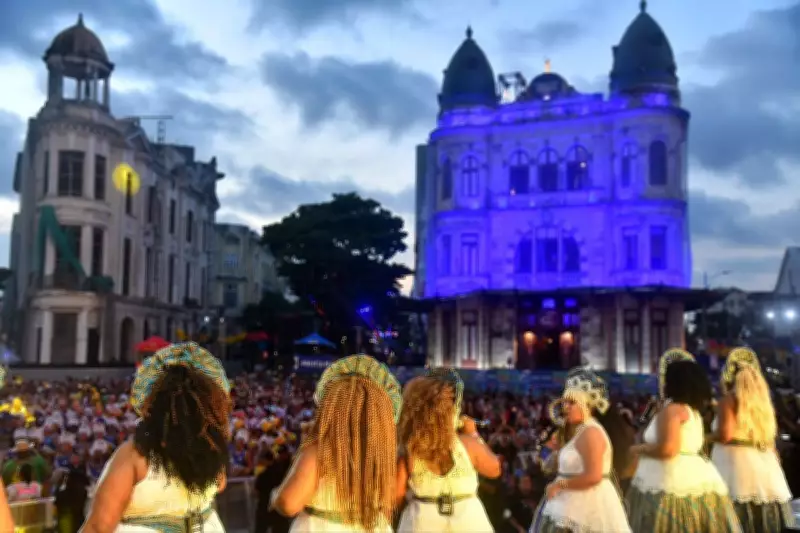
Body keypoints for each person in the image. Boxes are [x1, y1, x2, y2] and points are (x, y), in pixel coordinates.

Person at [81, 341, 232, 532]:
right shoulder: (211, 448)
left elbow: (99, 526)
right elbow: (220, 484)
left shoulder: (135, 454)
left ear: (154, 405)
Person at [270, 354, 402, 532]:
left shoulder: (319, 451)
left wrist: (276, 496)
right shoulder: (381, 453)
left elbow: (289, 503)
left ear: (331, 408)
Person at [627, 348, 741, 532]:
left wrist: (638, 449)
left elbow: (668, 449)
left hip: (667, 478)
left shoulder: (672, 410)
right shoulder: (692, 412)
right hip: (695, 476)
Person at [395, 368, 501, 532]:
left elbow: (395, 496)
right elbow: (495, 469)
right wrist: (473, 434)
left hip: (422, 523)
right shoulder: (468, 444)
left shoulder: (410, 450)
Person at [532, 367, 631, 533]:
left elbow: (594, 476)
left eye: (572, 403)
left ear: (587, 405)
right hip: (570, 504)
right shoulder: (580, 431)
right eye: (565, 402)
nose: (566, 407)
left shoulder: (591, 432)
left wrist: (560, 485)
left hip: (586, 506)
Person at [711, 347, 796, 532]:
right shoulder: (763, 404)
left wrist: (705, 438)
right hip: (764, 465)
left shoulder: (729, 401)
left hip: (734, 466)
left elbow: (725, 435)